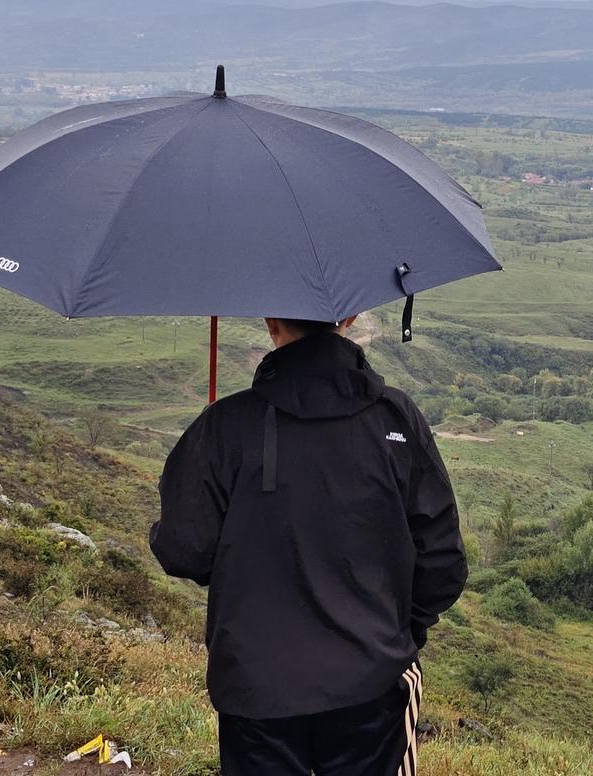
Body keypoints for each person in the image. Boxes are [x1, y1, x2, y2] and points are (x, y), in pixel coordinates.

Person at [150, 315, 467, 776]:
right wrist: (396, 635)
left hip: (255, 686)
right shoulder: (397, 419)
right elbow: (443, 562)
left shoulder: (225, 423)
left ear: (270, 321)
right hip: (373, 683)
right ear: (349, 317)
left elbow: (183, 551)